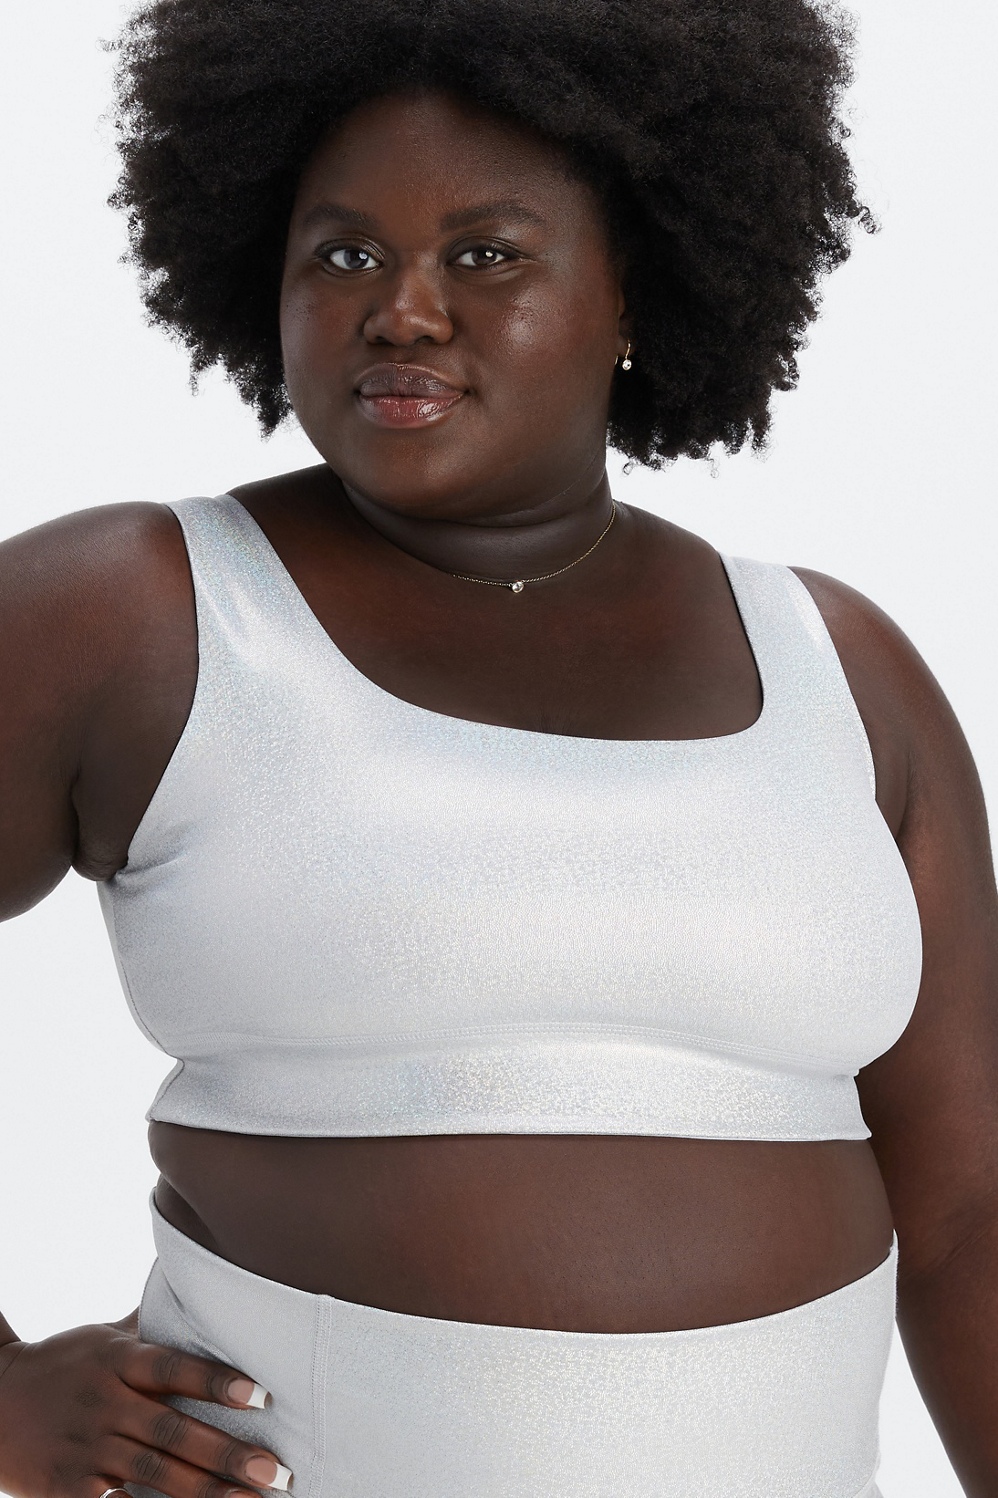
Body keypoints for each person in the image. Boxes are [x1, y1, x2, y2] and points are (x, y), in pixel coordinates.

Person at [0, 0, 996, 1493]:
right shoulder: (138, 612)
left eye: (485, 255)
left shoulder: (841, 668)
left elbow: (971, 1213)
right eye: (344, 255)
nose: (402, 310)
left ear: (632, 291)